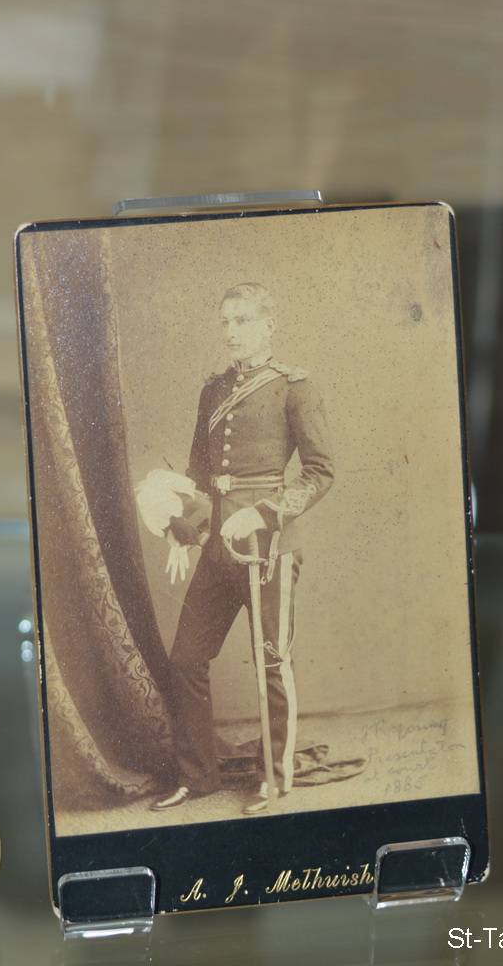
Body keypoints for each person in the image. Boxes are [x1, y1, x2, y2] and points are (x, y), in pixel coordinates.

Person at [149, 282, 335, 814]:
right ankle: (198, 778)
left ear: (269, 325)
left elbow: (320, 472)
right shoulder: (213, 391)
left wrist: (266, 512)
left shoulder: (295, 388)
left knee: (272, 662)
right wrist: (183, 527)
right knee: (186, 658)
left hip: (268, 547)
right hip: (218, 548)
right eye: (225, 322)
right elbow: (198, 471)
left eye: (243, 320)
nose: (231, 332)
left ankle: (274, 778)